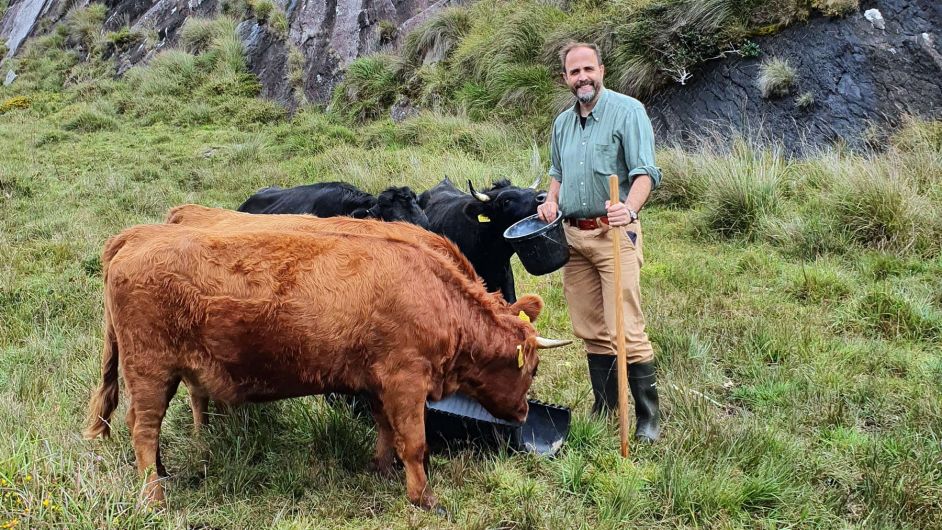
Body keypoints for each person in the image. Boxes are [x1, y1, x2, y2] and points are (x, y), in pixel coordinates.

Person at [537, 42, 661, 441]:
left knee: (625, 326)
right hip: (572, 237)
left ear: (601, 70)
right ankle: (605, 405)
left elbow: (646, 173)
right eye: (574, 72)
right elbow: (556, 171)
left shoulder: (628, 112)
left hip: (613, 235)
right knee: (591, 328)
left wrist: (630, 208)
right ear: (566, 79)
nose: (582, 78)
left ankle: (647, 418)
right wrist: (551, 201)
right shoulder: (562, 124)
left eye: (587, 69)